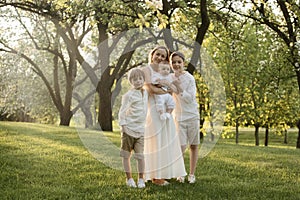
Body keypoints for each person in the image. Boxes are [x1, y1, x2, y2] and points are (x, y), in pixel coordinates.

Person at [142, 46, 186, 186]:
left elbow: (174, 89)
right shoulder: (146, 70)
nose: (160, 58)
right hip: (155, 110)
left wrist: (168, 89)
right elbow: (150, 88)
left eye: (163, 56)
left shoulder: (165, 71)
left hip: (166, 110)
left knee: (167, 141)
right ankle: (156, 176)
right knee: (156, 141)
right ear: (152, 54)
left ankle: (166, 172)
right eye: (158, 55)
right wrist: (166, 91)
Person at [170, 51, 200, 184]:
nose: (176, 64)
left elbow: (190, 98)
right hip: (178, 117)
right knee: (180, 147)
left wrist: (179, 88)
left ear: (183, 63)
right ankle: (180, 173)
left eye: (179, 62)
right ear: (171, 64)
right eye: (174, 62)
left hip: (192, 115)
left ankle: (192, 174)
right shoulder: (170, 77)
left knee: (193, 145)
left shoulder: (189, 78)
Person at [118, 68, 148, 188]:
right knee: (126, 155)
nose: (138, 81)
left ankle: (141, 179)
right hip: (129, 129)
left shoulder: (145, 93)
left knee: (140, 156)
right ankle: (129, 179)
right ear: (131, 81)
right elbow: (122, 112)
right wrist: (124, 127)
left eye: (140, 79)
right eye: (135, 79)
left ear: (143, 80)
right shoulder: (128, 96)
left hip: (140, 130)